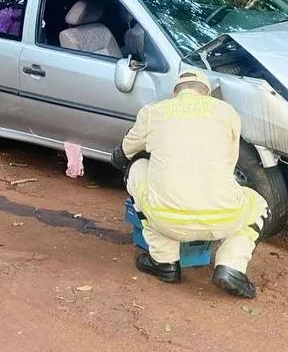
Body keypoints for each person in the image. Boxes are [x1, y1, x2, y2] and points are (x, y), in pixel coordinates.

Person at [113, 69, 269, 299]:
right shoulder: (227, 112)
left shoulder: (154, 112)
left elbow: (124, 153)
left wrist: (127, 157)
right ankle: (231, 266)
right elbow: (229, 161)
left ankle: (164, 262)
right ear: (207, 92)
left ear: (175, 92)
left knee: (137, 170)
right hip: (223, 216)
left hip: (167, 218)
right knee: (258, 205)